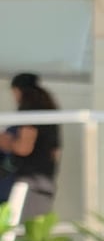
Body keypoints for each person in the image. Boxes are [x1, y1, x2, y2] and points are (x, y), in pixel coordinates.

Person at [0, 73, 61, 222]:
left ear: (18, 91)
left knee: (19, 233)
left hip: (28, 184)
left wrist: (6, 142)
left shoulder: (30, 112)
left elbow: (24, 147)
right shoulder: (50, 116)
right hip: (44, 184)